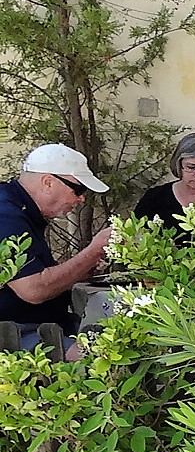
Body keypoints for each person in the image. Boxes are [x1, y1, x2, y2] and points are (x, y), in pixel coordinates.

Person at [0, 144, 113, 353]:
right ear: (48, 182)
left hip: (44, 324)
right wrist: (93, 251)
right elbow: (33, 289)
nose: (81, 198)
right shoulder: (6, 215)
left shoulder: (17, 207)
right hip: (15, 333)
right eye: (78, 189)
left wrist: (83, 268)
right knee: (103, 355)